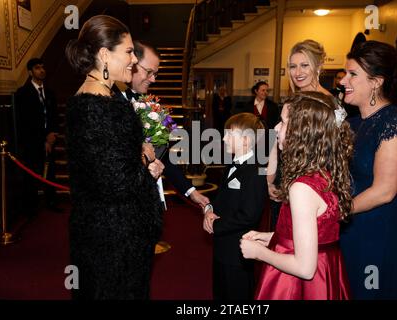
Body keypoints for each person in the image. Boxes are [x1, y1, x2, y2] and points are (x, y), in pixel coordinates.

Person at [65, 15, 163, 299]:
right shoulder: (98, 107)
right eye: (129, 51)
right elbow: (117, 184)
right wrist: (149, 168)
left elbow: (105, 166)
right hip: (114, 240)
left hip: (106, 233)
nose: (134, 59)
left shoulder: (95, 99)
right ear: (106, 54)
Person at [240, 92, 352, 300]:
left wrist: (259, 253)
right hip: (326, 270)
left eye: (283, 122)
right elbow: (318, 236)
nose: (276, 128)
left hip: (299, 284)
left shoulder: (302, 188)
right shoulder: (323, 173)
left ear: (302, 133)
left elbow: (305, 268)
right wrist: (272, 238)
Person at [339, 40, 397, 299]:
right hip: (350, 222)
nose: (343, 81)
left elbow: (384, 191)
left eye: (352, 74)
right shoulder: (351, 123)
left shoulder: (394, 123)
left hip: (379, 229)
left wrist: (335, 211)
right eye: (345, 73)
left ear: (376, 82)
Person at [113, 40, 210, 208]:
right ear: (132, 62)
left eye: (155, 74)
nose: (153, 79)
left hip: (148, 196)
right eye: (149, 72)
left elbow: (161, 156)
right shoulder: (107, 101)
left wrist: (190, 191)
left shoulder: (148, 105)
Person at [267, 39, 339, 230]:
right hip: (284, 180)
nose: (297, 72)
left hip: (312, 186)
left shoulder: (331, 104)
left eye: (304, 65)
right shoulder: (292, 100)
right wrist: (269, 180)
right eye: (293, 66)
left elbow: (335, 153)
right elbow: (276, 143)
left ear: (319, 66)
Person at [203, 113, 267, 300]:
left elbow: (249, 215)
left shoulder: (256, 170)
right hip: (223, 247)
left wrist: (216, 226)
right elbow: (222, 197)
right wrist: (210, 210)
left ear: (246, 140)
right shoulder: (231, 165)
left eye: (230, 135)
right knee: (221, 292)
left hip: (238, 250)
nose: (223, 138)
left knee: (237, 294)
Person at [14, 57, 61, 219]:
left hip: (50, 140)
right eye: (37, 68)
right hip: (32, 142)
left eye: (42, 67)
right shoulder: (22, 93)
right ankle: (31, 207)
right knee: (32, 174)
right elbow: (25, 121)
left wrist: (52, 135)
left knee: (51, 173)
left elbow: (54, 116)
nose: (41, 70)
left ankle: (52, 202)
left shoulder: (50, 93)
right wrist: (43, 139)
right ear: (30, 72)